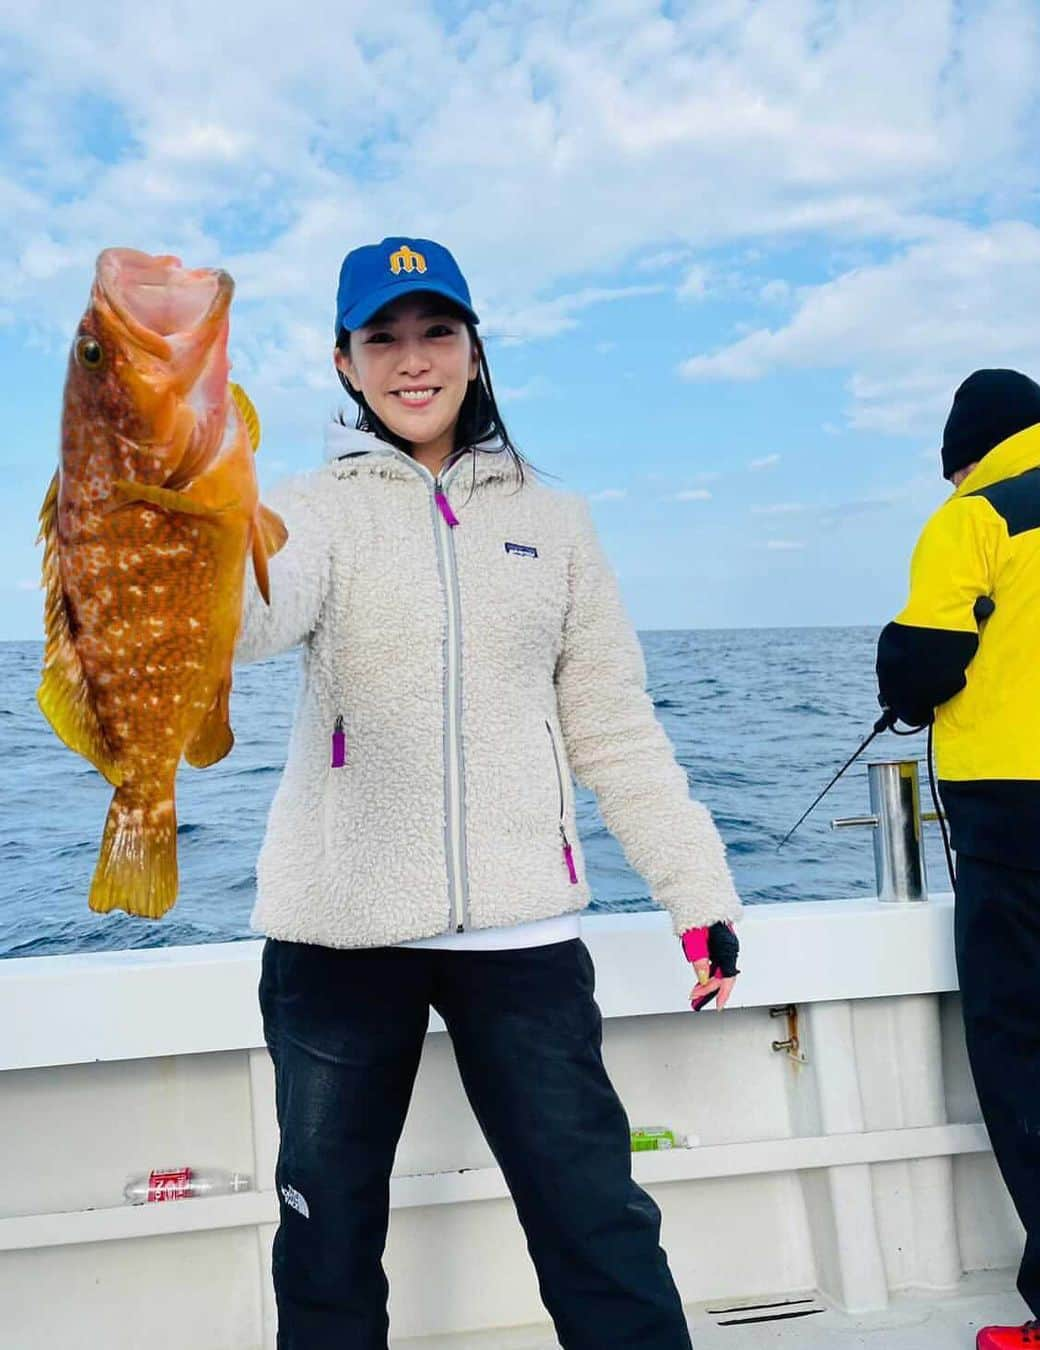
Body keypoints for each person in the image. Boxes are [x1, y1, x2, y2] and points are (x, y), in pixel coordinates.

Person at [235, 236, 742, 1349]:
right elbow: (248, 619)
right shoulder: (309, 509)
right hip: (338, 933)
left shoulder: (555, 522)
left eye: (436, 333)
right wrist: (184, 523)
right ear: (344, 362)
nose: (412, 361)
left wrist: (697, 894)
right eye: (384, 338)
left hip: (523, 934)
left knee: (597, 1224)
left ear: (473, 350)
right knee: (324, 1244)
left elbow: (614, 729)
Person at [876, 369, 1040, 1350]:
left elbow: (922, 664)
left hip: (1034, 834)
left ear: (964, 458)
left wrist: (906, 690)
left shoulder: (978, 514)